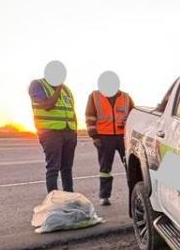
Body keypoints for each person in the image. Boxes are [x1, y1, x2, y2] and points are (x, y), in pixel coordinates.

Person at [29, 60, 77, 193]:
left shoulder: (67, 90)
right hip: (50, 132)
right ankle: (53, 199)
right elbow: (48, 105)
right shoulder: (37, 85)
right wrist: (59, 88)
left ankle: (69, 197)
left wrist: (74, 132)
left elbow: (72, 111)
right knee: (53, 168)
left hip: (69, 132)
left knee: (67, 168)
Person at [86, 71, 132, 206]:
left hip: (124, 137)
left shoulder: (126, 97)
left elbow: (133, 115)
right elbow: (90, 117)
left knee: (130, 166)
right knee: (105, 168)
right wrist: (94, 136)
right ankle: (104, 196)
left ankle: (133, 193)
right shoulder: (95, 96)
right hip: (104, 137)